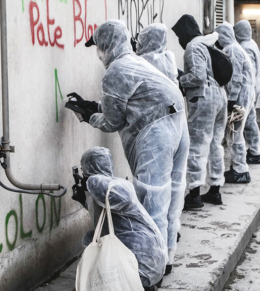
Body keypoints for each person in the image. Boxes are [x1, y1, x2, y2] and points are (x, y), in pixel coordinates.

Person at [80, 20, 188, 271]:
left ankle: (152, 269)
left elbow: (113, 120)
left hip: (157, 132)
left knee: (152, 201)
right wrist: (96, 107)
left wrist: (90, 116)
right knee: (172, 196)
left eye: (99, 47)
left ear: (106, 45)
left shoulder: (115, 71)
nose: (98, 53)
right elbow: (133, 101)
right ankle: (168, 256)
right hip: (178, 125)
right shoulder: (138, 61)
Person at [73, 147, 165, 291]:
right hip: (144, 251)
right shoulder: (108, 189)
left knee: (108, 273)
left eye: (85, 170)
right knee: (91, 242)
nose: (84, 174)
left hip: (145, 255)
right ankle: (137, 290)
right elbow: (107, 215)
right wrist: (84, 199)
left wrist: (90, 182)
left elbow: (118, 198)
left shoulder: (115, 187)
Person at [172, 15, 226, 209]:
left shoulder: (193, 47)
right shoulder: (207, 44)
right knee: (215, 144)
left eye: (179, 36)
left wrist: (179, 80)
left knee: (196, 145)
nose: (179, 41)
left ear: (185, 33)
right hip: (220, 96)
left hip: (204, 98)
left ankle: (194, 195)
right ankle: (215, 189)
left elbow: (198, 76)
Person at [215, 23, 253, 184]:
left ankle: (240, 170)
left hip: (240, 96)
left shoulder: (232, 50)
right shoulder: (235, 48)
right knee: (235, 132)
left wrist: (232, 100)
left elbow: (236, 78)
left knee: (235, 132)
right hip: (243, 94)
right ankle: (238, 167)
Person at [234, 20, 260, 165]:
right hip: (253, 85)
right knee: (250, 118)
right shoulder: (251, 43)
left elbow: (247, 72)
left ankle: (253, 151)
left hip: (248, 86)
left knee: (247, 119)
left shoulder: (245, 47)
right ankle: (253, 150)